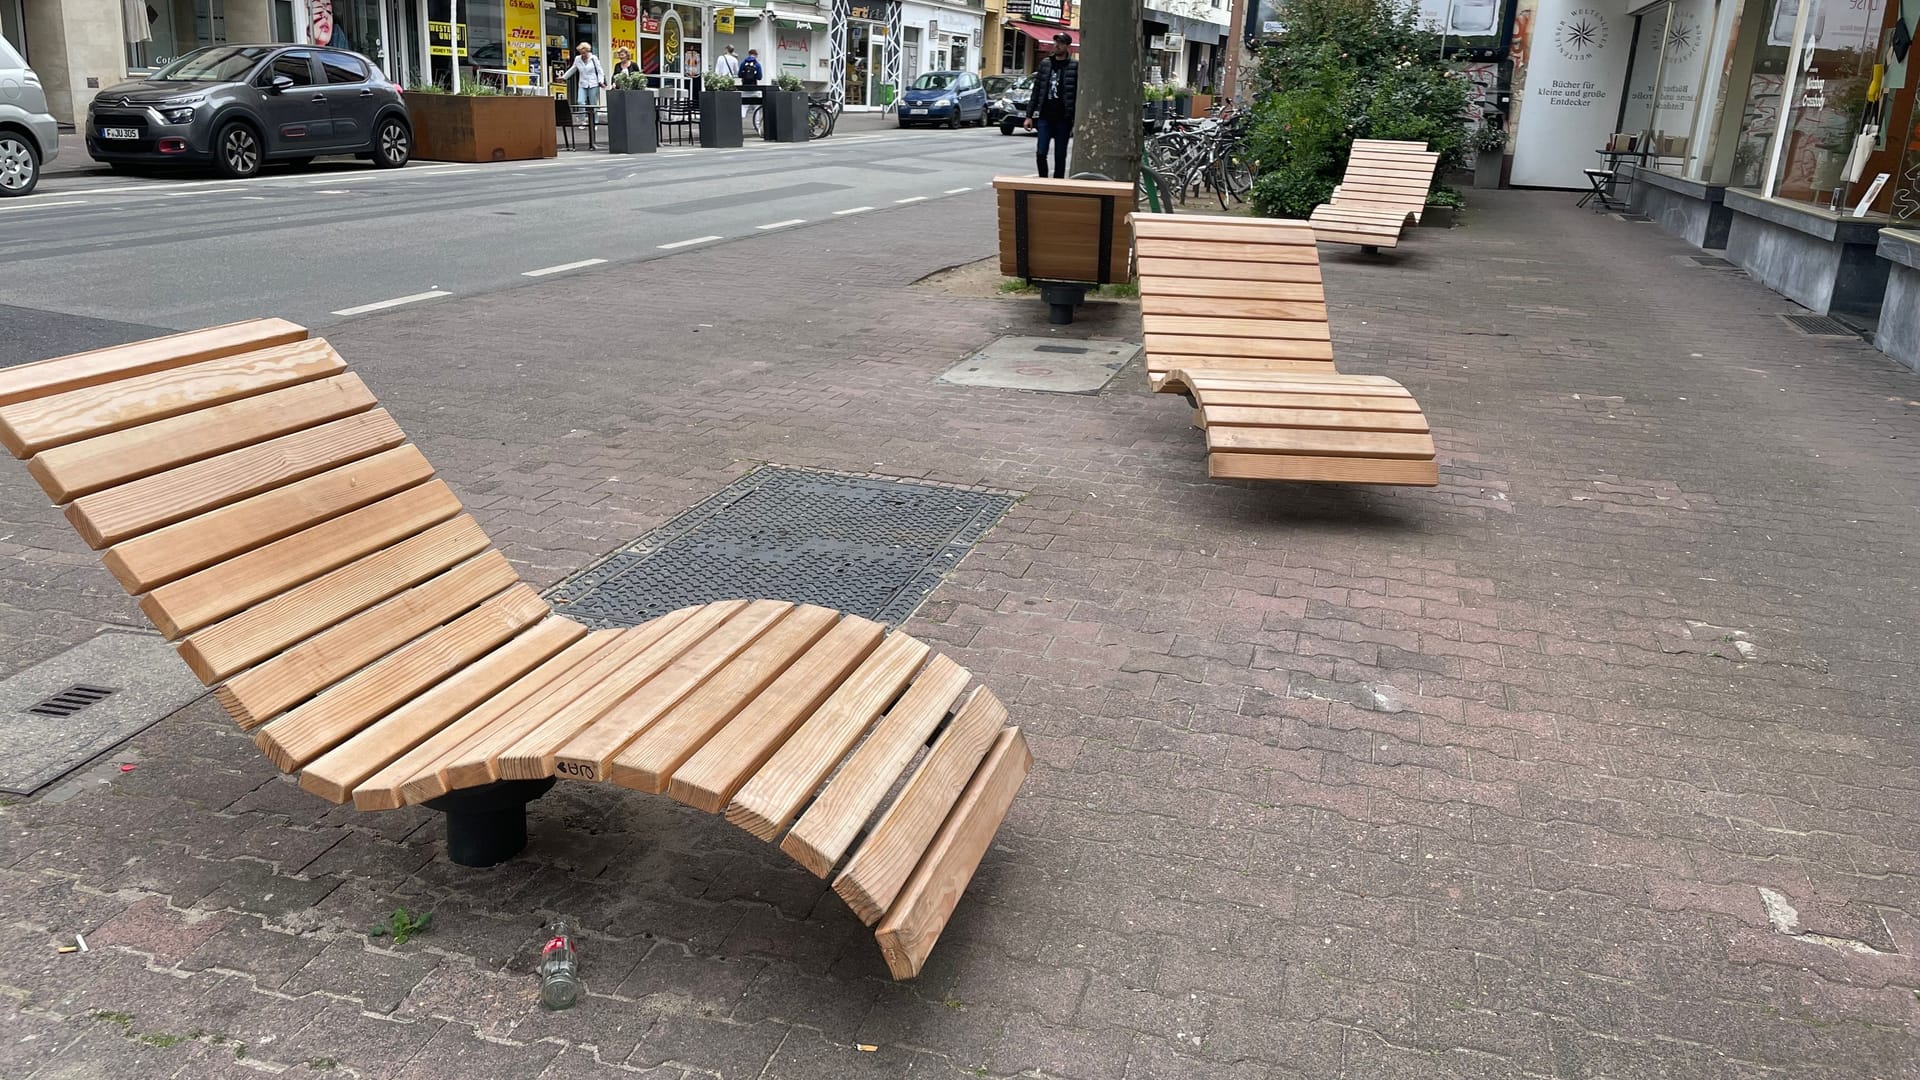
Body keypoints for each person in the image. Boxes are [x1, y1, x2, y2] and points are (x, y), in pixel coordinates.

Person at [1024, 32, 1078, 179]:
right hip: (1045, 116)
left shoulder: (1074, 66)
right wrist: (1029, 116)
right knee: (1041, 152)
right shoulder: (1046, 64)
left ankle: (1058, 183)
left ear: (1067, 46)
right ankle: (1043, 180)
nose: (1056, 45)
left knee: (1060, 155)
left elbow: (1077, 94)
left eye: (1060, 43)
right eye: (1055, 42)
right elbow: (1037, 90)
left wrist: (1075, 119)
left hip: (1063, 118)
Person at [561, 42, 604, 148]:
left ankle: (595, 122)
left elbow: (599, 70)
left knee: (593, 104)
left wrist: (601, 81)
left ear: (588, 51)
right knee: (580, 101)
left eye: (584, 53)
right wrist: (564, 77)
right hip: (583, 84)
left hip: (593, 83)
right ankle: (582, 121)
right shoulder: (577, 59)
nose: (583, 55)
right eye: (581, 53)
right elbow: (573, 69)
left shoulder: (594, 58)